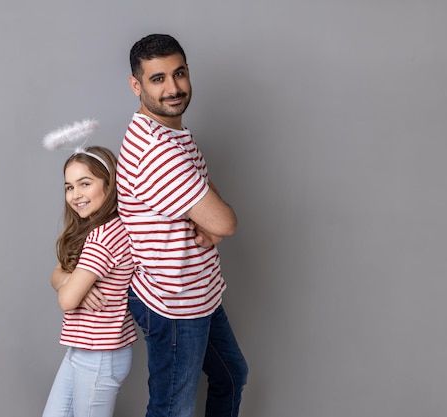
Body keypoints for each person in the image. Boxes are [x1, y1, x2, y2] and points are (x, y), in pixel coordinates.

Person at [116, 34, 248, 417]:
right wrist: (211, 220)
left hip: (198, 291)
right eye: (158, 79)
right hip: (174, 304)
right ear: (136, 85)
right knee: (172, 409)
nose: (173, 88)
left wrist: (208, 216)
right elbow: (224, 221)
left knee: (231, 375)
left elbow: (212, 213)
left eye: (179, 74)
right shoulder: (159, 151)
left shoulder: (172, 134)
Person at [42, 145, 137, 417]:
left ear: (110, 184)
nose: (76, 195)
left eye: (85, 183)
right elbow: (57, 275)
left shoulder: (102, 238)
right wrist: (70, 281)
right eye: (69, 187)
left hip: (100, 355)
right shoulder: (102, 228)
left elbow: (67, 300)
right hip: (83, 348)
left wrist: (71, 288)